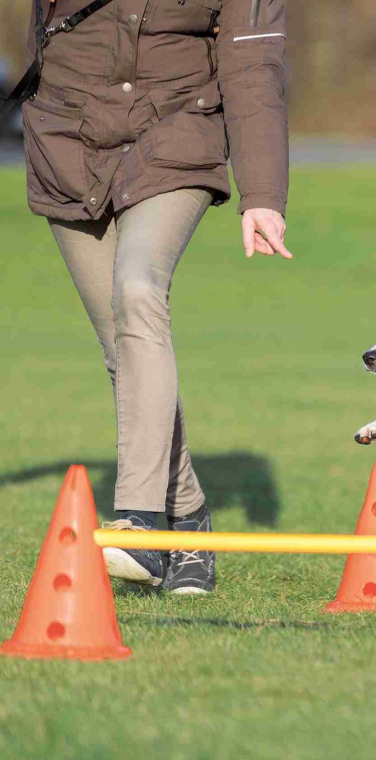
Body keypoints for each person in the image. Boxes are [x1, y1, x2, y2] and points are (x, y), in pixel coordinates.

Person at [19, 0, 291, 593]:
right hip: (68, 143)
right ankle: (189, 522)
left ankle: (140, 524)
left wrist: (263, 193)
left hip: (175, 137)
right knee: (125, 351)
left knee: (138, 288)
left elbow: (253, 65)